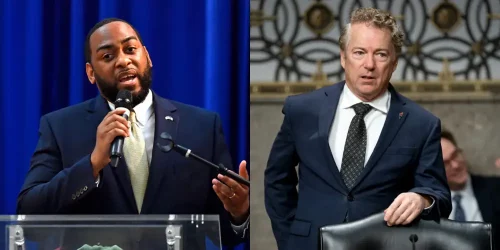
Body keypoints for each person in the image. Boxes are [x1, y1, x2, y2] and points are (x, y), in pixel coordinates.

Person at [16, 18, 249, 249]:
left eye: (130, 49)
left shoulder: (202, 126)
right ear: (90, 73)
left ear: (147, 56)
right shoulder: (60, 127)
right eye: (108, 56)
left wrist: (239, 213)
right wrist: (92, 164)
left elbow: (227, 234)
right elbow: (29, 218)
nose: (123, 61)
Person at [264, 7, 451, 250]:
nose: (369, 64)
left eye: (381, 54)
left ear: (394, 62)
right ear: (343, 57)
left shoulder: (421, 123)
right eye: (359, 52)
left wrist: (422, 199)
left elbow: (439, 195)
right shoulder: (302, 110)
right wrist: (291, 239)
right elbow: (277, 180)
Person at [441, 128, 500, 249]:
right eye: (445, 163)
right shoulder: (426, 204)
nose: (456, 165)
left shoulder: (496, 188)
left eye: (455, 155)